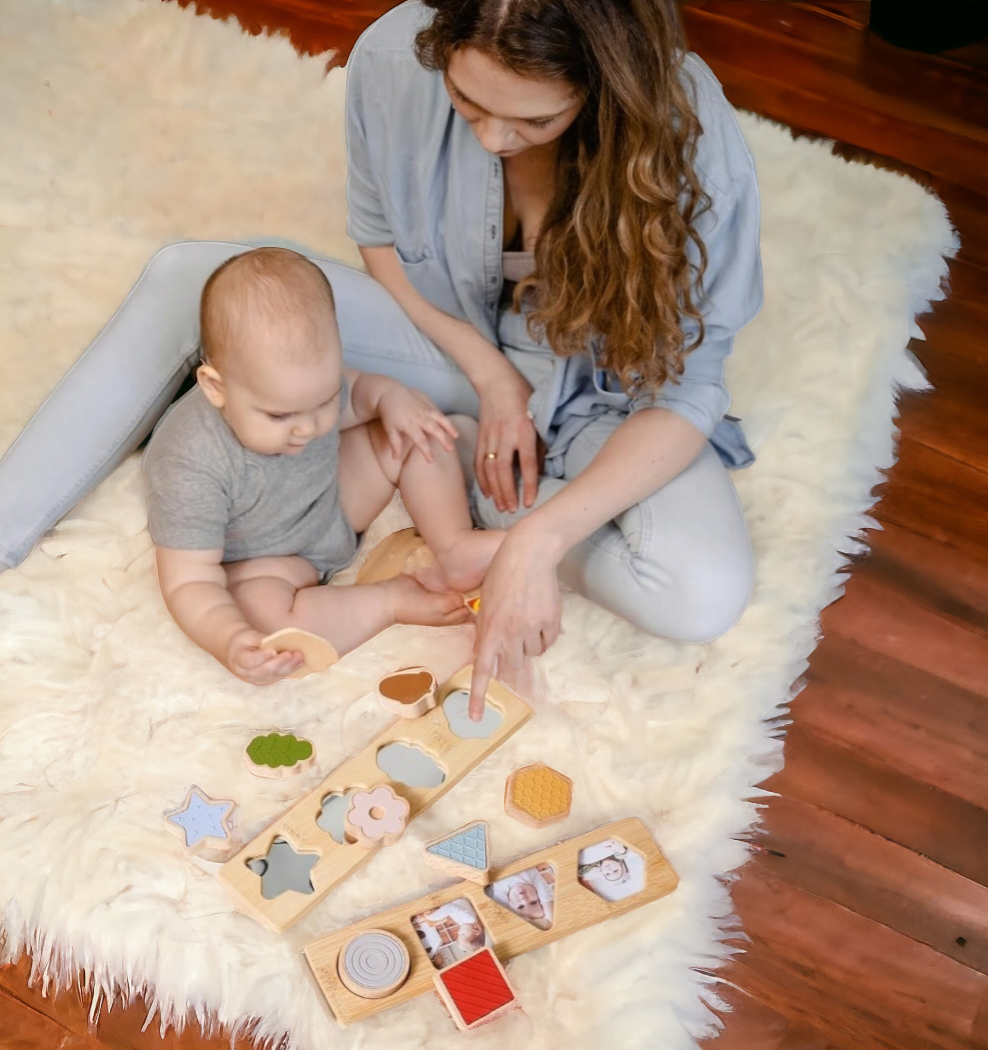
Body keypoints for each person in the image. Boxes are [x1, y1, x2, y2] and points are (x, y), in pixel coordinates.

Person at [0, 0, 760, 714]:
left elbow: (686, 391)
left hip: (606, 396)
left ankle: (484, 484)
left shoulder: (689, 137)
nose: (494, 138)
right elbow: (380, 241)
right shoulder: (393, 57)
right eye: (469, 104)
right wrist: (491, 378)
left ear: (604, 85)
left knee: (699, 592)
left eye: (537, 117)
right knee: (191, 279)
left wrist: (539, 540)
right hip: (443, 341)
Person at [145, 247, 492, 683]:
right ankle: (388, 602)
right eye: (280, 416)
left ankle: (454, 544)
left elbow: (363, 389)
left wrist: (391, 398)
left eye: (325, 400)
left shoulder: (305, 386)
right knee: (268, 629)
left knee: (415, 428)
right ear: (216, 387)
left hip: (335, 498)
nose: (308, 428)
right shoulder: (189, 462)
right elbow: (188, 582)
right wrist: (229, 638)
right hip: (268, 559)